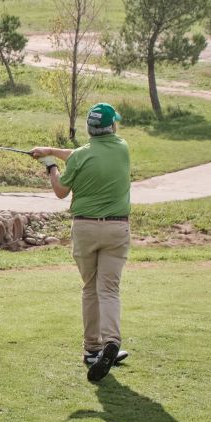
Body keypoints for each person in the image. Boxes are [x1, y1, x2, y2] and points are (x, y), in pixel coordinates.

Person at [32, 103, 133, 382]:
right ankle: (111, 341)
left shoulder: (79, 157)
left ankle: (92, 350)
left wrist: (51, 165)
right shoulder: (123, 147)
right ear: (112, 127)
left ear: (90, 128)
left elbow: (61, 191)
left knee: (90, 288)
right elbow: (82, 155)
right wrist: (51, 151)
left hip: (86, 229)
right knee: (109, 290)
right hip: (117, 228)